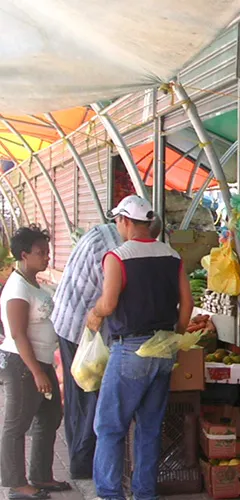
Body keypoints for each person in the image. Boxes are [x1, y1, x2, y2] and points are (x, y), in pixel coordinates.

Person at [87, 195, 191, 500]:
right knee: (150, 428)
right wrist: (175, 337)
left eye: (118, 220)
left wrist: (94, 313)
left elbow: (109, 303)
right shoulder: (172, 256)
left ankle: (110, 494)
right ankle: (145, 494)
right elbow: (187, 304)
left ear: (125, 221)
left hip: (130, 350)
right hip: (164, 350)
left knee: (110, 427)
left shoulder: (117, 257)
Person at [50, 217, 161, 479]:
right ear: (132, 226)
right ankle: (85, 466)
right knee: (89, 398)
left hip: (70, 320)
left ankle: (82, 462)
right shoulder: (116, 251)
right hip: (82, 328)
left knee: (80, 398)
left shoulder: (105, 232)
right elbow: (111, 301)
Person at [0, 226, 70, 499]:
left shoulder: (33, 283)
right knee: (17, 424)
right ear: (24, 255)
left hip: (40, 362)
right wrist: (37, 372)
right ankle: (16, 484)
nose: (47, 257)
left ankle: (41, 475)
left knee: (50, 416)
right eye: (41, 252)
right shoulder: (17, 288)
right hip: (22, 364)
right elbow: (18, 334)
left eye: (47, 251)